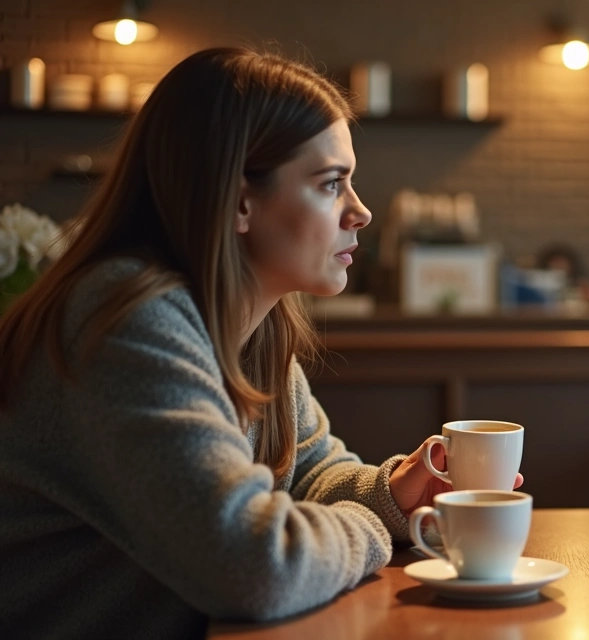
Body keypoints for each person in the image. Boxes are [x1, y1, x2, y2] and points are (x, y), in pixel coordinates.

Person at [0, 48, 521, 638]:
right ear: (239, 200)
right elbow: (257, 567)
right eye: (331, 184)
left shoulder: (253, 326)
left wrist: (394, 494)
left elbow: (310, 473)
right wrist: (372, 528)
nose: (362, 212)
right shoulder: (127, 324)